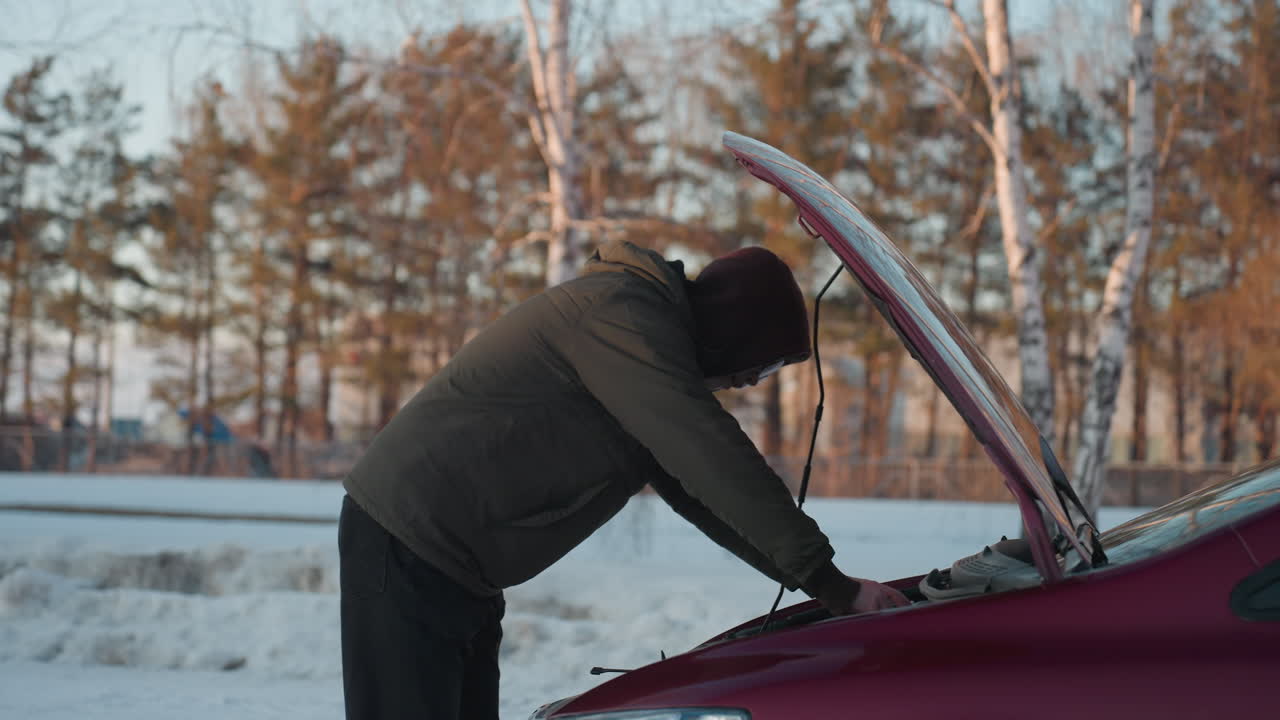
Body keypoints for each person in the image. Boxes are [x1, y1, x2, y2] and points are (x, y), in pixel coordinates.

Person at [338, 239, 909, 719]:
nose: (752, 383)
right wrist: (836, 588)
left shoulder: (642, 353)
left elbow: (705, 494)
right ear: (735, 332)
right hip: (407, 544)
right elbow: (710, 454)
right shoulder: (623, 318)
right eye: (761, 365)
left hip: (457, 569)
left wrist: (827, 588)